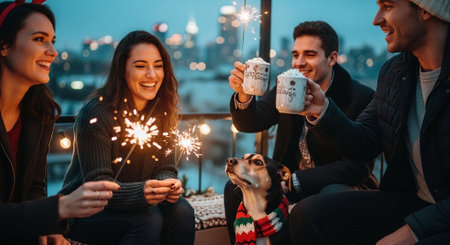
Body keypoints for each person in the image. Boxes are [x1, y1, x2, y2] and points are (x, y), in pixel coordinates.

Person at [291, 0, 450, 244]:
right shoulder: (394, 73)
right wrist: (323, 111)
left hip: (439, 214)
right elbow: (364, 141)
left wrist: (412, 231)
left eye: (387, 5)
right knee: (308, 214)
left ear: (426, 9)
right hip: (412, 201)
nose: (376, 20)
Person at [224, 20, 378, 243]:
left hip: (333, 184)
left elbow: (357, 166)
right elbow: (251, 122)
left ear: (332, 58)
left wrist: (295, 181)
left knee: (325, 200)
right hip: (288, 179)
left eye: (310, 54)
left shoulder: (359, 97)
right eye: (295, 55)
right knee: (233, 187)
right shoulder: (287, 86)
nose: (300, 62)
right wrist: (244, 95)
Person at [0, 1, 120, 244]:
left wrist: (45, 224)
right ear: (4, 45)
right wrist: (58, 208)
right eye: (39, 39)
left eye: (52, 40)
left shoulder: (39, 114)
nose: (53, 51)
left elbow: (34, 188)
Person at [60, 30, 195, 245]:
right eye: (141, 66)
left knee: (183, 211)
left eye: (158, 65)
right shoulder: (96, 113)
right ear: (122, 70)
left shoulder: (164, 112)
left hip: (140, 203)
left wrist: (166, 186)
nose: (152, 74)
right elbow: (98, 184)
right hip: (86, 211)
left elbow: (166, 167)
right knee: (148, 219)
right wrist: (142, 193)